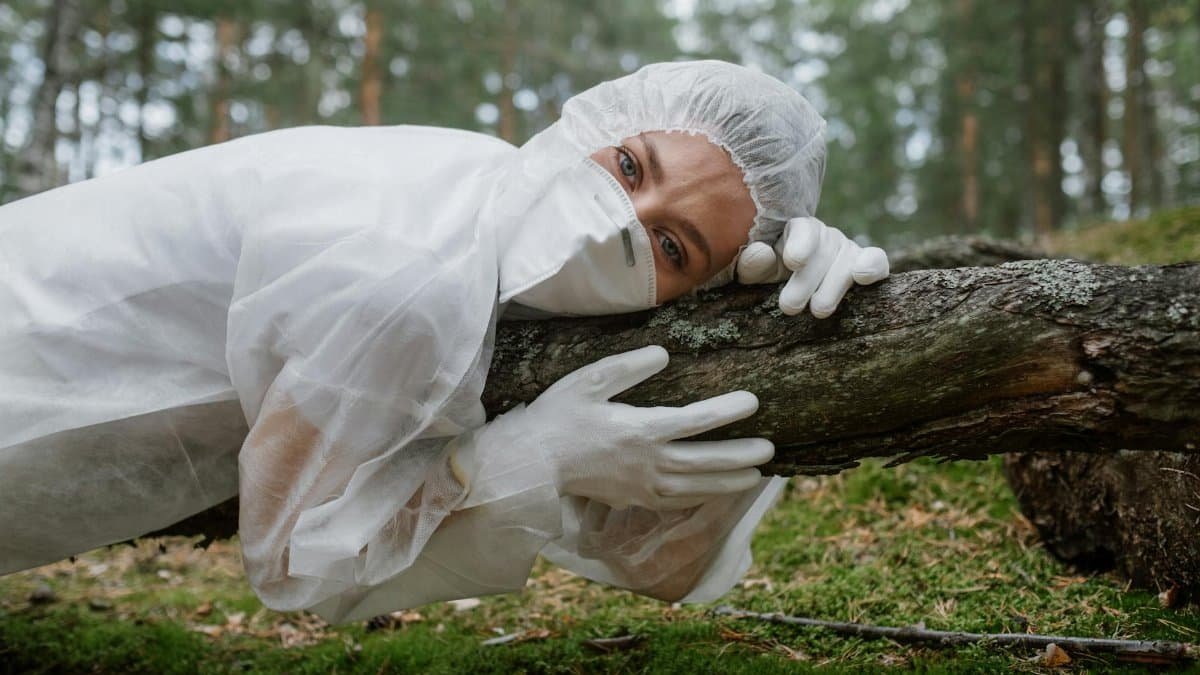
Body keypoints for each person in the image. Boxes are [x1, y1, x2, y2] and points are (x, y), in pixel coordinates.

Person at [0, 60, 888, 622]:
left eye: (670, 245)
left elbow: (659, 561)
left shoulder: (481, 192)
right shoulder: (407, 271)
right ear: (601, 120)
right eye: (628, 166)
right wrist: (522, 461)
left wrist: (795, 319)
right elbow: (297, 566)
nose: (620, 218)